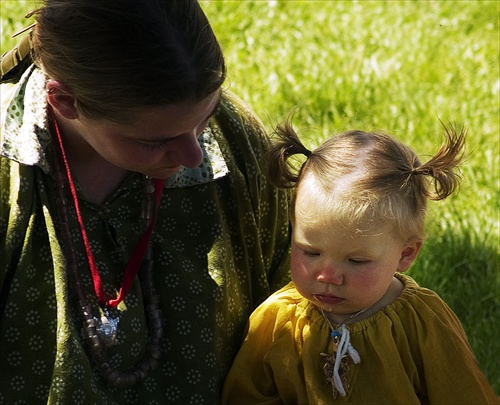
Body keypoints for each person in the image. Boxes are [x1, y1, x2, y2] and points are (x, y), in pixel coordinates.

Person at [0, 1, 291, 403]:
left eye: (205, 117)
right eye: (153, 141)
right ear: (64, 101)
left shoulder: (234, 139)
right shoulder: (7, 177)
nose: (194, 154)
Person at [221, 119, 499, 404]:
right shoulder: (277, 321)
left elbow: (463, 393)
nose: (327, 275)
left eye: (356, 261)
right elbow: (247, 395)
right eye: (310, 252)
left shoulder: (420, 322)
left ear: (405, 254)